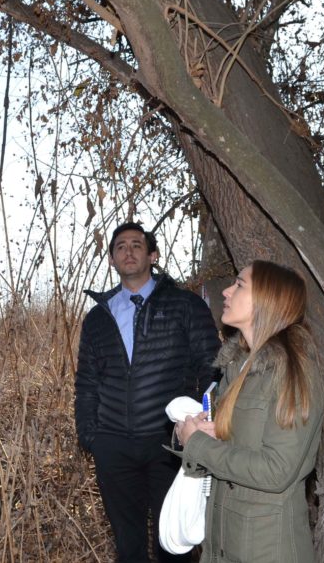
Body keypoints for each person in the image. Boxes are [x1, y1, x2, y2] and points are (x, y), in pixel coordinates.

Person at [75, 221, 220, 563]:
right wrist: (91, 436)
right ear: (111, 259)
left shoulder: (185, 305)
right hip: (114, 445)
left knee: (174, 542)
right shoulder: (97, 318)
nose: (128, 250)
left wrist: (202, 426)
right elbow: (86, 383)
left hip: (169, 444)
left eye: (137, 245)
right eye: (121, 246)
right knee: (128, 546)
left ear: (153, 255)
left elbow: (211, 369)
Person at [175, 260, 324, 563]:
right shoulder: (237, 367)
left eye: (240, 284)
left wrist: (199, 444)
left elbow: (277, 471)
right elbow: (232, 444)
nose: (227, 292)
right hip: (223, 543)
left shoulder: (293, 372)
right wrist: (197, 432)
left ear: (268, 299)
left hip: (267, 548)